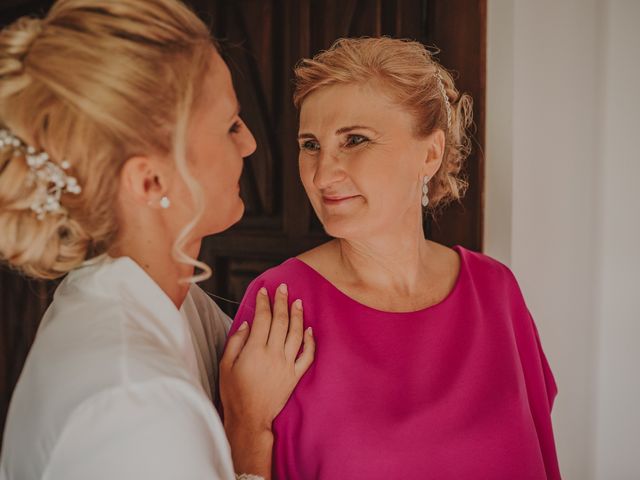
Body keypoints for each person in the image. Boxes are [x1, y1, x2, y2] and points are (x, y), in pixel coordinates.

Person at [0, 1, 315, 479]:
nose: (250, 143)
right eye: (230, 126)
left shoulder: (175, 305)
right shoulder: (135, 408)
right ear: (151, 182)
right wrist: (249, 429)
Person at [230, 37, 561, 479]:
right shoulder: (282, 301)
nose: (323, 173)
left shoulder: (496, 292)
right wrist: (246, 426)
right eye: (310, 145)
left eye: (356, 140)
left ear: (430, 153)